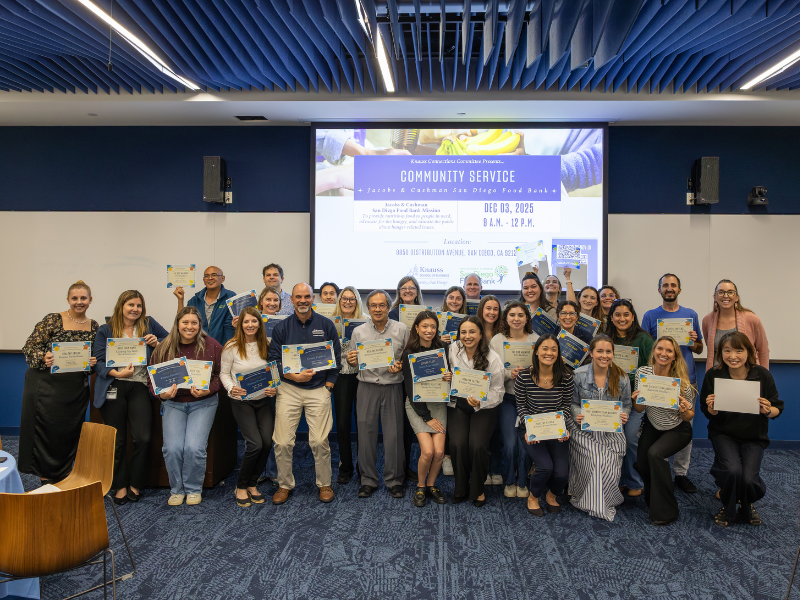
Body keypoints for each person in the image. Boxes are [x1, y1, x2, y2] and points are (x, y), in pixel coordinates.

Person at [18, 281, 99, 484]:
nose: (79, 302)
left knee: (67, 433)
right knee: (46, 432)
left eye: (83, 298)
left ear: (90, 300)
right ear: (68, 299)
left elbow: (92, 362)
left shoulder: (95, 326)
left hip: (74, 392)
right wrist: (43, 357)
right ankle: (46, 481)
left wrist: (92, 362)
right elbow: (29, 347)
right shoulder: (53, 320)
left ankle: (63, 476)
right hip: (45, 387)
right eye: (74, 298)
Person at [268, 283, 341, 505]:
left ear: (313, 298)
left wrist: (329, 386)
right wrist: (292, 377)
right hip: (289, 389)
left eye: (307, 296)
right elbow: (273, 360)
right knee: (282, 442)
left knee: (319, 441)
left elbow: (335, 359)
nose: (302, 300)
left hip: (319, 389)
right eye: (298, 297)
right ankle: (284, 484)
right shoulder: (282, 327)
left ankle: (324, 483)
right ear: (292, 298)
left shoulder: (326, 325)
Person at [700, 332, 782, 527]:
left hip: (754, 436)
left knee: (749, 480)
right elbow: (706, 410)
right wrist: (712, 408)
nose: (733, 356)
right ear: (720, 353)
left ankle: (747, 503)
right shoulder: (714, 374)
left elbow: (777, 408)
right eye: (727, 350)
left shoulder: (762, 374)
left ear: (749, 352)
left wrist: (768, 409)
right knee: (731, 471)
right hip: (723, 433)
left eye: (739, 350)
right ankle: (728, 507)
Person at [93, 290, 168, 505]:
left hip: (139, 386)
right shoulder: (106, 329)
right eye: (131, 305)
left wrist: (157, 342)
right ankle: (120, 485)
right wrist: (115, 373)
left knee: (143, 438)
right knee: (118, 441)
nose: (135, 309)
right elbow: (98, 362)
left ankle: (136, 483)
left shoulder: (148, 323)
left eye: (139, 305)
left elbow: (170, 339)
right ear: (121, 306)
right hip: (114, 385)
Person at [150, 307, 222, 507]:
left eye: (194, 323)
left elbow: (221, 375)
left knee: (194, 447)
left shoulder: (212, 346)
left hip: (203, 403)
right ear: (177, 324)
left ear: (200, 325)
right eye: (185, 322)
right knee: (172, 449)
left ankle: (192, 489)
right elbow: (152, 379)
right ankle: (177, 490)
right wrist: (160, 394)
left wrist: (208, 390)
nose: (189, 327)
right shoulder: (163, 347)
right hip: (173, 403)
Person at [641, 273, 703, 494]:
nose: (669, 288)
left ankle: (681, 474)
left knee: (684, 426)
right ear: (659, 290)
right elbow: (649, 348)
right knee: (657, 426)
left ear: (679, 289)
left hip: (686, 379)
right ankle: (661, 469)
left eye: (673, 285)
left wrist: (695, 341)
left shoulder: (691, 314)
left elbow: (699, 349)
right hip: (658, 382)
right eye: (665, 285)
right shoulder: (650, 316)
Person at [347, 290, 410, 498]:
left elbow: (407, 359)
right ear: (368, 308)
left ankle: (394, 480)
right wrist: (351, 361)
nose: (377, 309)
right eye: (373, 305)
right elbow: (353, 361)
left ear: (389, 307)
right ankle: (368, 480)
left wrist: (400, 366)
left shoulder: (402, 329)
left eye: (382, 305)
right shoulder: (358, 332)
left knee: (394, 436)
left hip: (393, 387)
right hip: (366, 387)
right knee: (366, 436)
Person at [632, 336, 695, 526]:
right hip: (653, 425)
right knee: (643, 464)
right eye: (660, 349)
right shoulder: (643, 373)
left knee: (656, 455)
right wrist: (637, 399)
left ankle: (667, 511)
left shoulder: (681, 382)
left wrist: (684, 410)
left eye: (669, 351)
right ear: (654, 351)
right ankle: (653, 500)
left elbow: (689, 416)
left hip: (677, 429)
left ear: (674, 356)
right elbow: (639, 410)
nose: (663, 353)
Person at [569, 335, 631, 521]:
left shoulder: (621, 377)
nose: (604, 355)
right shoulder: (578, 374)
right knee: (595, 459)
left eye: (608, 351)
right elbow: (571, 403)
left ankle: (607, 498)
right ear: (591, 353)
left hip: (611, 430)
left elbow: (626, 404)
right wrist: (578, 413)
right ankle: (587, 500)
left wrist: (624, 414)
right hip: (583, 430)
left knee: (611, 459)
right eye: (600, 351)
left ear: (613, 353)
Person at [220, 306, 276, 508]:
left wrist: (274, 388)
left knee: (268, 442)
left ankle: (253, 484)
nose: (250, 325)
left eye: (254, 321)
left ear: (260, 324)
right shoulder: (231, 346)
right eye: (246, 321)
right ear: (240, 324)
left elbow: (274, 372)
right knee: (255, 444)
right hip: (241, 402)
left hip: (263, 401)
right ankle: (241, 486)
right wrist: (231, 388)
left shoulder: (267, 344)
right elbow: (224, 374)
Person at [447, 316, 504, 507]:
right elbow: (447, 373)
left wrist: (481, 401)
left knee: (477, 445)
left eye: (472, 332)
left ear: (481, 335)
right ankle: (461, 487)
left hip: (485, 406)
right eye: (463, 332)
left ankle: (478, 488)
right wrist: (447, 376)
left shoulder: (493, 358)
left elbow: (499, 391)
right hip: (460, 403)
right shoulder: (453, 349)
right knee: (457, 443)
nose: (467, 336)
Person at [515, 334, 574, 516]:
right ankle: (533, 497)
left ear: (558, 353)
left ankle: (551, 495)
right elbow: (521, 406)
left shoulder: (566, 377)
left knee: (562, 473)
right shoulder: (524, 376)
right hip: (531, 429)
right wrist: (530, 428)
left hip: (556, 429)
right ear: (537, 351)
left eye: (554, 349)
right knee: (545, 467)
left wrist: (562, 428)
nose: (549, 353)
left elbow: (565, 406)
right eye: (545, 348)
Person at [604, 299, 653, 497]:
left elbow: (653, 368)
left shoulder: (644, 339)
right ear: (611, 317)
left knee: (631, 438)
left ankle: (633, 480)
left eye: (626, 314)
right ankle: (614, 480)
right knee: (611, 439)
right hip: (609, 399)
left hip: (634, 402)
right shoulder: (605, 338)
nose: (622, 318)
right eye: (617, 315)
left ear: (632, 317)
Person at [401, 311, 451, 507]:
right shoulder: (409, 353)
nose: (429, 331)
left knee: (439, 452)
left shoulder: (444, 348)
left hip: (438, 404)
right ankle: (421, 486)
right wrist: (427, 417)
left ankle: (432, 485)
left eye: (433, 327)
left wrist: (450, 377)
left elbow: (452, 378)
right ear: (416, 328)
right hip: (417, 405)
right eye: (425, 327)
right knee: (428, 452)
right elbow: (410, 389)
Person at [489, 302, 538, 499]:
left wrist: (532, 373)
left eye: (520, 315)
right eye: (512, 315)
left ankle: (523, 481)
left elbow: (545, 367)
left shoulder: (536, 339)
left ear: (527, 318)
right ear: (506, 318)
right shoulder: (497, 340)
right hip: (506, 399)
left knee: (526, 443)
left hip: (530, 400)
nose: (516, 319)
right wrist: (510, 373)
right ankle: (509, 480)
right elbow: (491, 372)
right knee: (509, 444)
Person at [331, 286, 365, 483]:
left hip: (362, 376)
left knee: (362, 422)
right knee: (343, 423)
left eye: (352, 299)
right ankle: (345, 466)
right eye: (344, 298)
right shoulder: (330, 322)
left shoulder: (367, 321)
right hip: (341, 376)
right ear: (339, 300)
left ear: (357, 301)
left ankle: (363, 466)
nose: (348, 302)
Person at [701, 279, 769, 371]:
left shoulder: (752, 319)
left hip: (748, 375)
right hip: (717, 375)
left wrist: (764, 376)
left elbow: (763, 350)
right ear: (715, 297)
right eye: (721, 292)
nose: (725, 296)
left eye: (730, 292)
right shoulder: (707, 320)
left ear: (736, 297)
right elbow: (711, 349)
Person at [173, 265, 235, 345]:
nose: (210, 278)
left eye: (214, 275)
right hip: (198, 347)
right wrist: (180, 300)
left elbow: (231, 327)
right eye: (206, 276)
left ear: (222, 279)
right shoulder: (195, 300)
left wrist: (228, 348)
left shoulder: (231, 298)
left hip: (222, 347)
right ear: (204, 280)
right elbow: (182, 321)